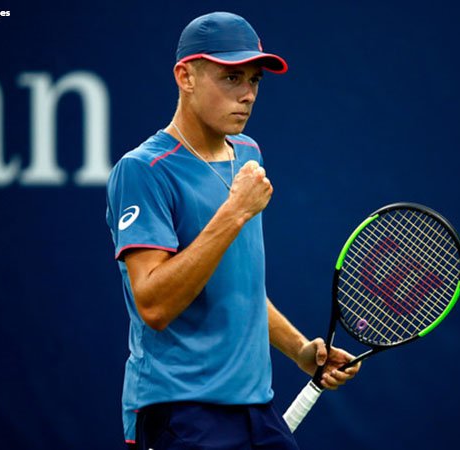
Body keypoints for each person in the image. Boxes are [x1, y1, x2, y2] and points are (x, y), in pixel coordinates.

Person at [106, 11, 361, 450]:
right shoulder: (143, 170)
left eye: (254, 81)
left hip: (256, 409)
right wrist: (234, 212)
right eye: (231, 78)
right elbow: (154, 305)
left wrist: (301, 351)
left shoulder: (246, 152)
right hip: (181, 412)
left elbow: (234, 287)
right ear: (185, 76)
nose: (247, 95)